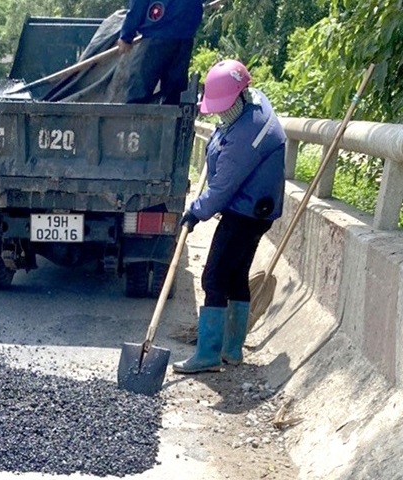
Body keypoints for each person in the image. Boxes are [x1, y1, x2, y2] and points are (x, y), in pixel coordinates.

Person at [172, 59, 286, 373]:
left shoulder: (247, 136)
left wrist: (195, 213)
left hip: (245, 212)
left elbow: (221, 189)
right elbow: (225, 140)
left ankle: (208, 354)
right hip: (258, 209)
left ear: (239, 95)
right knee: (236, 276)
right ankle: (232, 350)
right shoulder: (255, 101)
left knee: (213, 276)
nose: (221, 113)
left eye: (223, 107)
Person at [113, 0, 203, 104]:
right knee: (174, 94)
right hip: (184, 34)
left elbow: (138, 4)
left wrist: (126, 35)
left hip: (158, 33)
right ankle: (171, 118)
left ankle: (136, 118)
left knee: (138, 90)